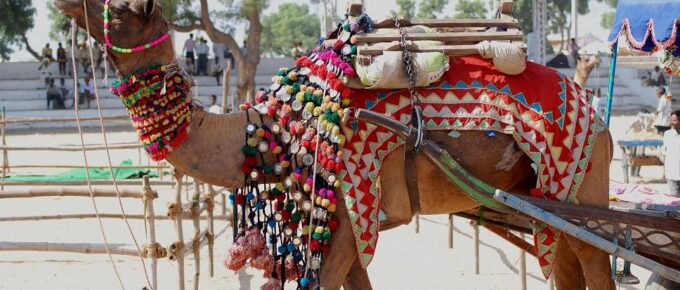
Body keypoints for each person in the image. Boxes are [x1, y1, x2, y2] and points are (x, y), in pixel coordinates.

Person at [663, 110, 680, 196]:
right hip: (672, 174)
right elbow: (665, 153)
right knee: (675, 201)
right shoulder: (667, 134)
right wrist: (664, 172)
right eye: (671, 120)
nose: (671, 123)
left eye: (674, 120)